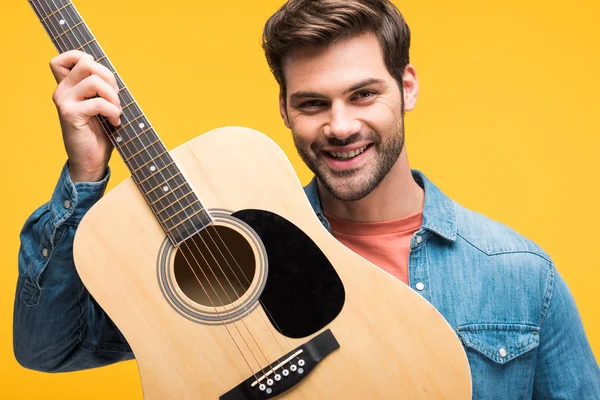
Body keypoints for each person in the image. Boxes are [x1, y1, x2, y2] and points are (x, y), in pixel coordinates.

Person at [14, 0, 600, 398]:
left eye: (364, 94)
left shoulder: (521, 277)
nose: (340, 126)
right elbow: (48, 349)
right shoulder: (214, 258)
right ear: (285, 109)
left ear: (407, 87)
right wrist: (85, 173)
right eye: (314, 103)